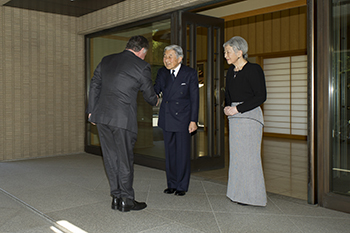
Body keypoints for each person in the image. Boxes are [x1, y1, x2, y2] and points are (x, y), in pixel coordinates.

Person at [87, 35, 158, 212]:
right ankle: (126, 199)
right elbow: (149, 95)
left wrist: (92, 112)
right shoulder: (141, 66)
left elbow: (94, 84)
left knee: (111, 158)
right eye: (145, 54)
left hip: (102, 117)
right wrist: (158, 101)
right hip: (122, 119)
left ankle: (116, 197)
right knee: (125, 159)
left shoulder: (107, 60)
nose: (144, 57)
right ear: (142, 50)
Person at [223, 36, 267, 206]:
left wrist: (237, 109)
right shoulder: (230, 72)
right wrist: (227, 107)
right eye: (225, 52)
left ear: (239, 53)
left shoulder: (254, 69)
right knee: (236, 158)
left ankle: (252, 197)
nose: (225, 55)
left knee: (249, 158)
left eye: (228, 52)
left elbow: (261, 96)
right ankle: (237, 194)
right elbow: (228, 94)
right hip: (235, 118)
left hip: (249, 118)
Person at [154, 45, 199, 196]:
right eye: (165, 56)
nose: (166, 60)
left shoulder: (190, 73)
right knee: (170, 153)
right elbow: (155, 90)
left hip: (183, 119)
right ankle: (171, 183)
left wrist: (193, 120)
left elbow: (194, 98)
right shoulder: (162, 72)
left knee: (182, 153)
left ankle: (182, 185)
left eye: (170, 56)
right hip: (167, 118)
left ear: (180, 58)